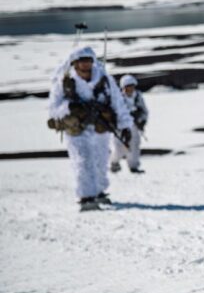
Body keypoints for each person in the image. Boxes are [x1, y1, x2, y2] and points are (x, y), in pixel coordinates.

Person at [46, 46, 132, 211]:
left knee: (100, 161)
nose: (85, 64)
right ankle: (86, 197)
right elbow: (54, 109)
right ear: (75, 63)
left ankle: (99, 192)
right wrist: (70, 108)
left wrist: (125, 126)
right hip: (76, 129)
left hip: (100, 128)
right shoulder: (64, 82)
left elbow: (118, 103)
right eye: (82, 61)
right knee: (83, 161)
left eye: (88, 61)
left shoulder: (105, 80)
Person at [110, 74, 148, 174]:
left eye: (131, 86)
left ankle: (133, 166)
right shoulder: (118, 98)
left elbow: (144, 111)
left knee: (134, 146)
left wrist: (142, 120)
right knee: (119, 147)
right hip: (121, 126)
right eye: (127, 86)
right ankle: (114, 163)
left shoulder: (138, 97)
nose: (130, 88)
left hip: (134, 126)